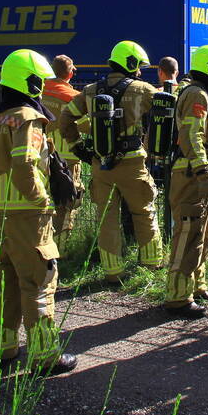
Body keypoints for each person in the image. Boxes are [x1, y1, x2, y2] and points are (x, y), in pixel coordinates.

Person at [0, 49, 77, 373]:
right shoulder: (29, 118)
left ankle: (3, 348)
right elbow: (24, 163)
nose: (41, 86)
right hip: (29, 215)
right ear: (28, 81)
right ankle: (45, 356)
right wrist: (42, 201)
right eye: (38, 80)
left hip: (0, 212)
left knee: (5, 281)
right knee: (39, 282)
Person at [57, 41, 163, 284]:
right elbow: (168, 105)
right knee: (144, 212)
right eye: (138, 66)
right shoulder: (142, 89)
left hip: (100, 164)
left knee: (106, 219)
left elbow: (66, 117)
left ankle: (112, 272)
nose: (139, 71)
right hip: (133, 163)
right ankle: (152, 265)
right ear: (130, 63)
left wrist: (77, 147)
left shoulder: (91, 90)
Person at [163, 45, 208, 318]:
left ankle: (196, 286)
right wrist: (205, 172)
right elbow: (191, 136)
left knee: (202, 234)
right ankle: (177, 296)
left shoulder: (201, 93)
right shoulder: (197, 94)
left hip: (196, 172)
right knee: (188, 233)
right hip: (190, 175)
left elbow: (204, 139)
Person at [40, 54, 83, 256]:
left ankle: (41, 244)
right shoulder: (73, 96)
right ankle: (61, 251)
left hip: (41, 158)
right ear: (70, 72)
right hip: (67, 161)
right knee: (66, 204)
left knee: (42, 201)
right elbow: (86, 126)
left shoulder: (38, 93)